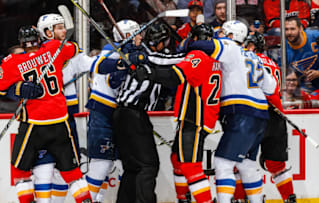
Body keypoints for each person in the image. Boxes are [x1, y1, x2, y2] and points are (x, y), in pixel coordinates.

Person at [179, 20, 276, 203]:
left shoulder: (229, 46)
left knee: (222, 163)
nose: (219, 34)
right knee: (246, 164)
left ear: (231, 36)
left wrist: (188, 42)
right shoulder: (254, 57)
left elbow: (200, 44)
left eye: (223, 32)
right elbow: (271, 87)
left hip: (241, 113)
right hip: (261, 115)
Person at [0, 25, 92, 203]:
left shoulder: (11, 62)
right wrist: (54, 47)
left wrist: (18, 89)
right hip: (61, 121)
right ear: (39, 39)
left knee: (20, 171)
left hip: (34, 123)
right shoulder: (54, 47)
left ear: (21, 43)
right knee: (72, 172)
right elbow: (76, 48)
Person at [112, 22, 185, 203]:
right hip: (132, 115)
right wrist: (195, 53)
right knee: (148, 165)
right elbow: (167, 61)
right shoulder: (150, 56)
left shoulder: (141, 54)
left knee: (132, 166)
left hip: (122, 114)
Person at [32, 13, 98, 203]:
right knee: (44, 169)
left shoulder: (70, 51)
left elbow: (93, 64)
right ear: (47, 32)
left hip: (65, 116)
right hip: (43, 118)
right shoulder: (38, 56)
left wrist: (115, 62)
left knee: (67, 166)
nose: (64, 31)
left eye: (63, 26)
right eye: (59, 27)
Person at [85, 19, 144, 203]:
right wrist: (127, 62)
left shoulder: (131, 51)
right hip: (102, 114)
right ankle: (90, 200)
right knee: (101, 164)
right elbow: (114, 81)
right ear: (127, 36)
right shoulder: (110, 51)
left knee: (125, 164)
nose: (140, 36)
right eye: (136, 33)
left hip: (120, 115)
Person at [239, 32, 297, 203]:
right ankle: (289, 199)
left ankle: (246, 199)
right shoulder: (273, 63)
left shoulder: (246, 60)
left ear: (251, 46)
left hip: (253, 115)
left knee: (240, 161)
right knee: (276, 165)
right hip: (276, 118)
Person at [166, 23, 221, 203]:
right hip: (202, 117)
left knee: (190, 166)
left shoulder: (197, 55)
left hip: (194, 118)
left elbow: (174, 75)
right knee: (177, 159)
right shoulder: (216, 59)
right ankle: (183, 199)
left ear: (195, 39)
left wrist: (148, 72)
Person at [283, 16, 319, 93]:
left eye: (292, 29)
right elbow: (285, 73)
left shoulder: (316, 36)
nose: (289, 32)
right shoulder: (284, 50)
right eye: (286, 29)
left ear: (300, 29)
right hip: (302, 88)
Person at [0, 45, 23, 113]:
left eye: (24, 54)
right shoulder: (4, 73)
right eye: (19, 55)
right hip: (7, 112)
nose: (23, 57)